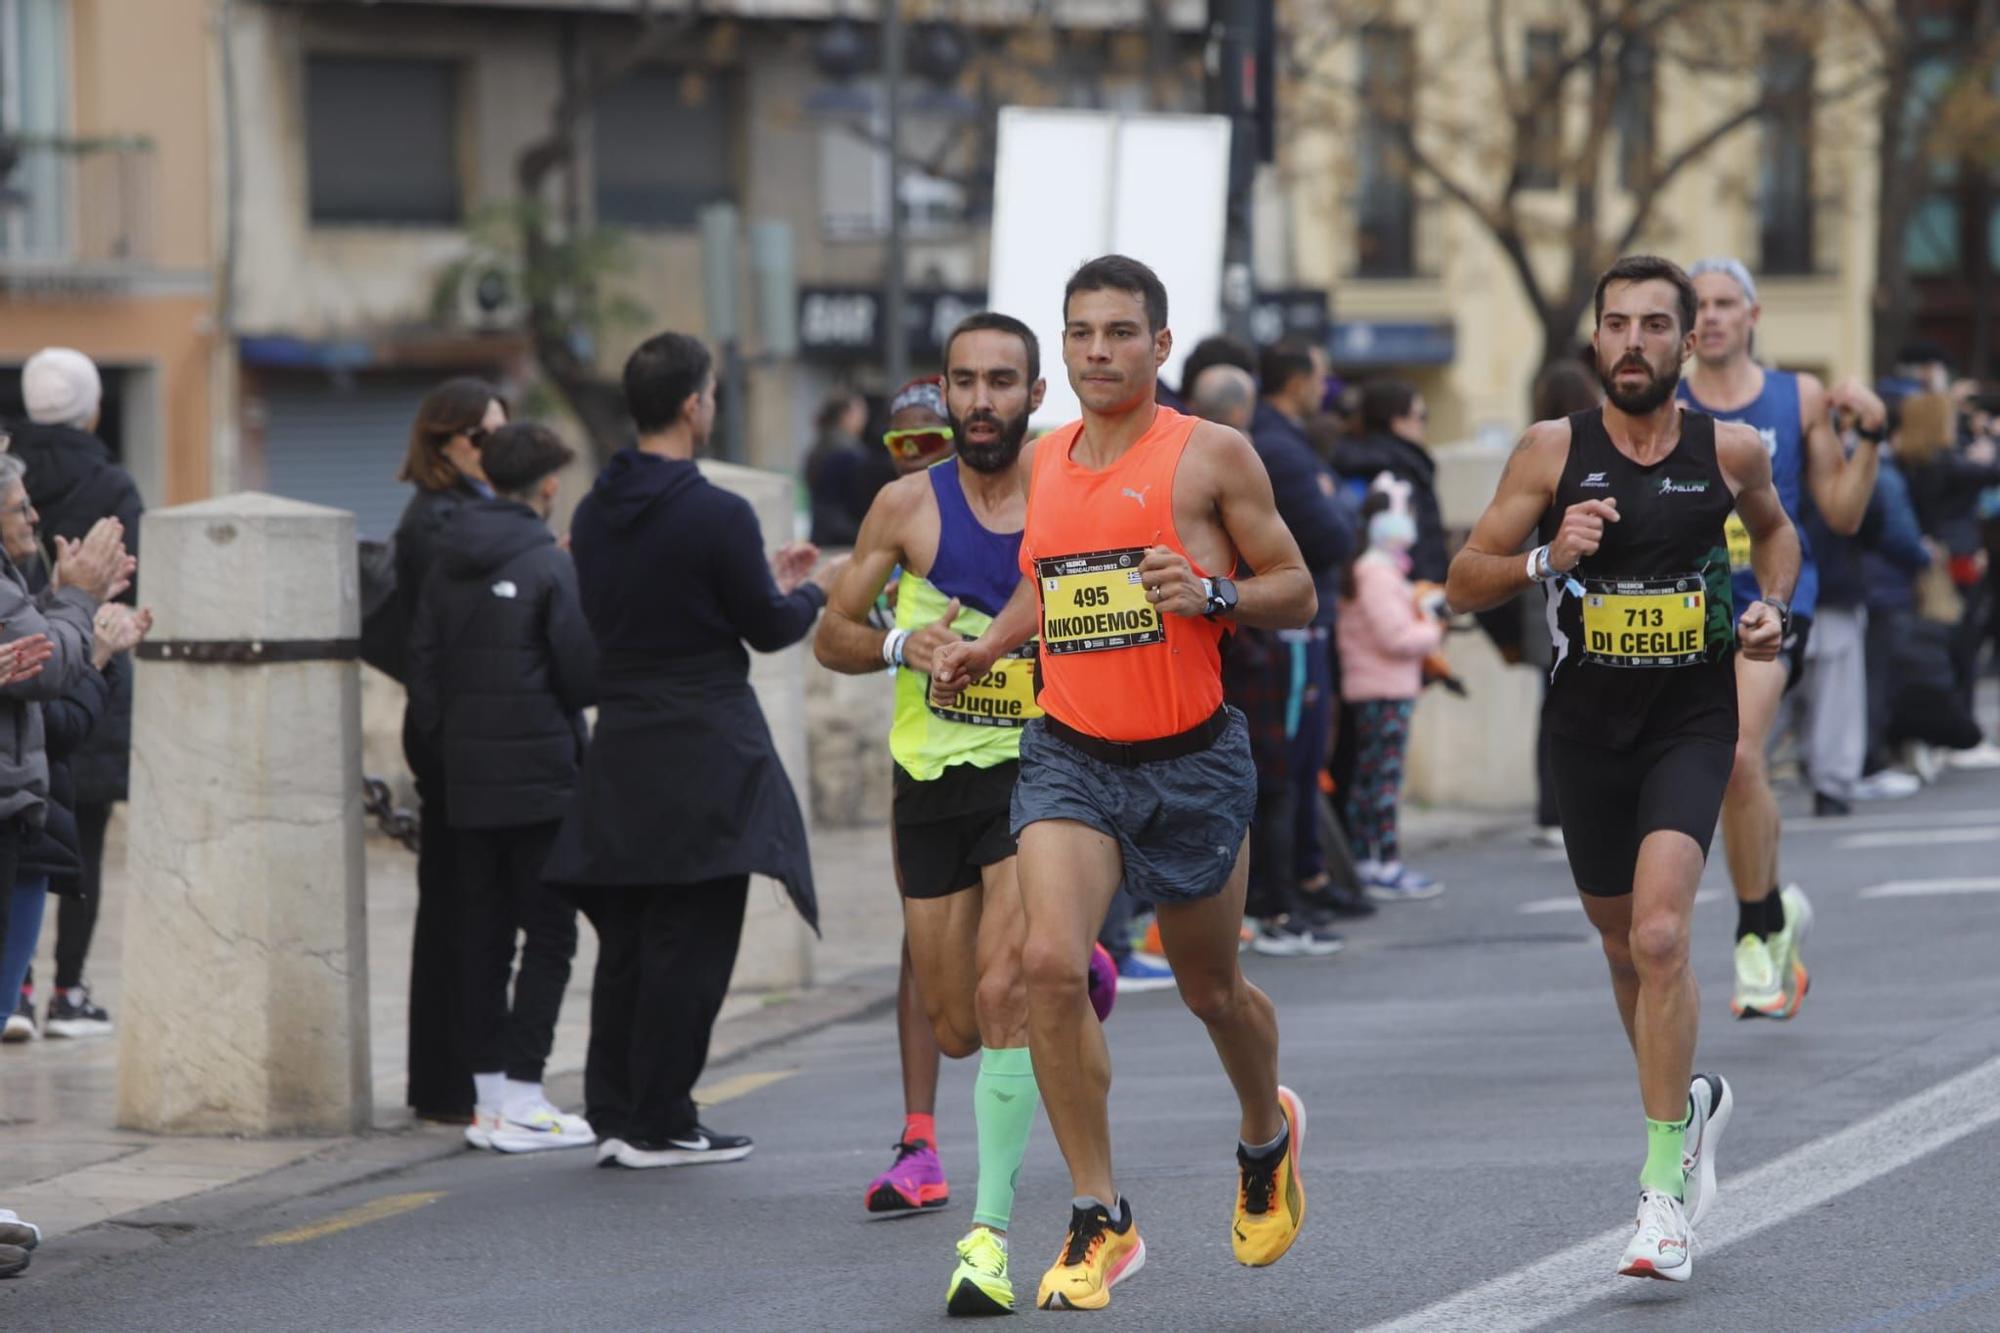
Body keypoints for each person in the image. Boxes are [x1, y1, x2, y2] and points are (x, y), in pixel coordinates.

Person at [932, 255, 1317, 1311]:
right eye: (1079, 333)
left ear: (1159, 345)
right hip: (1070, 753)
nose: (1097, 350)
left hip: (1189, 757)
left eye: (1117, 332)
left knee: (1209, 990)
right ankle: (1099, 1213)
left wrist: (1209, 589)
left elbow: (1296, 591)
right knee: (1048, 969)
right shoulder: (1046, 459)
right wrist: (985, 647)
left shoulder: (1210, 455)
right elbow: (1041, 583)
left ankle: (1263, 1132)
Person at [1449, 254, 1798, 1282]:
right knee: (1618, 946)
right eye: (1616, 324)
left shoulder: (1727, 449)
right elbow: (1463, 579)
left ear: (1687, 341)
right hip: (1584, 732)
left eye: (1655, 324)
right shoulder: (1550, 450)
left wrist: (1771, 610)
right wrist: (1544, 555)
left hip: (1689, 718)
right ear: (1594, 341)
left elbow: (1774, 538)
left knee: (1657, 934)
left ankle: (1659, 1193)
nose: (1633, 341)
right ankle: (1681, 1104)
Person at [818, 311, 1077, 1315]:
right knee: (958, 1021)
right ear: (946, 389)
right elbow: (833, 632)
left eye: (1001, 382)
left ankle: (988, 1235)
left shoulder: (1067, 492)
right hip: (929, 780)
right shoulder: (902, 506)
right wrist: (900, 648)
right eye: (964, 382)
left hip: (1038, 767)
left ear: (1032, 395)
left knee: (1010, 990)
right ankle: (1075, 970)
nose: (981, 401)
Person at [543, 332, 836, 1169]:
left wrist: (762, 582)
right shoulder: (716, 511)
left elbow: (650, 608)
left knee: (631, 936)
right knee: (695, 937)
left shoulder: (596, 510)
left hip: (625, 742)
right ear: (692, 404)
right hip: (703, 740)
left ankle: (618, 1110)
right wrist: (811, 589)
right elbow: (769, 627)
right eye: (710, 393)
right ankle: (662, 1118)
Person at [1677, 257, 1884, 1022]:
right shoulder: (1665, 403)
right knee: (1737, 772)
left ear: (1754, 315)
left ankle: (1755, 931)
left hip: (1766, 607)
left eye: (1728, 302)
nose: (1715, 316)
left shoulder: (1794, 396)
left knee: (1737, 754)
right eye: (1700, 305)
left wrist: (1871, 438)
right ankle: (1775, 916)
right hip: (1679, 615)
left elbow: (1842, 510)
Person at [406, 422, 597, 1155]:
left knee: (483, 938)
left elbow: (422, 674)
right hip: (543, 784)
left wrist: (453, 750)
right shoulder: (550, 564)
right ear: (547, 487)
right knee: (548, 934)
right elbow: (581, 675)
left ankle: (488, 1100)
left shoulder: (444, 557)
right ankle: (524, 1092)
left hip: (468, 784)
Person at [5, 347, 143, 1041]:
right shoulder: (110, 481)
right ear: (90, 406)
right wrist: (91, 619)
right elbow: (122, 582)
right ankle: (67, 987)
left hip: (28, 690)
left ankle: (18, 987)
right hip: (77, 673)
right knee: (77, 838)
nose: (29, 517)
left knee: (28, 836)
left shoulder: (15, 471)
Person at [1193, 364, 1343, 959]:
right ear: (1238, 410)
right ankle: (1274, 909)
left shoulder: (1205, 459)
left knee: (1267, 786)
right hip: (1249, 653)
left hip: (1238, 646)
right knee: (1271, 786)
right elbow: (1322, 544)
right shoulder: (1238, 455)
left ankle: (1271, 907)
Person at [391, 377, 507, 1124]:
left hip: (475, 730)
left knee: (470, 909)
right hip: (454, 734)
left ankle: (458, 1079)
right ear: (448, 442)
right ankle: (448, 1083)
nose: (498, 446)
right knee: (459, 914)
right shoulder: (437, 521)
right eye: (485, 435)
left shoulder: (471, 512)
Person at [1253, 340, 1365, 930]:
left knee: (1301, 765)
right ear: (1296, 380)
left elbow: (1341, 519)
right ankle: (1287, 893)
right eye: (1319, 377)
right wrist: (1339, 511)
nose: (1326, 389)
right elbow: (1333, 534)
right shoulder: (1279, 447)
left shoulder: (1291, 443)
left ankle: (1307, 877)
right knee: (1289, 765)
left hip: (1308, 627)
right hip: (1293, 633)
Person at [1338, 487, 1447, 900]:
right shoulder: (1376, 572)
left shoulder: (1377, 569)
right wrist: (1434, 628)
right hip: (1383, 689)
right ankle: (1383, 863)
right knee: (1382, 780)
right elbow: (1395, 636)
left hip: (1379, 686)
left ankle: (1371, 862)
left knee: (1372, 777)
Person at [1526, 360, 1606, 848]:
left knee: (1554, 706)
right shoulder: (1585, 455)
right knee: (1576, 708)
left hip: (1542, 606)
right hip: (1573, 600)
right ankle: (1562, 810)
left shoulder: (1533, 451)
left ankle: (1552, 810)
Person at [1333, 379, 1447, 584]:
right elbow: (1417, 544)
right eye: (1421, 416)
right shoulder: (1401, 471)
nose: (1424, 425)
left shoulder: (1355, 461)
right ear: (1397, 420)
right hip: (1406, 592)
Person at [805, 390, 875, 547]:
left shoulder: (818, 446)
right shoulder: (849, 452)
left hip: (822, 535)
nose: (864, 418)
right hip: (845, 538)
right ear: (846, 415)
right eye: (860, 412)